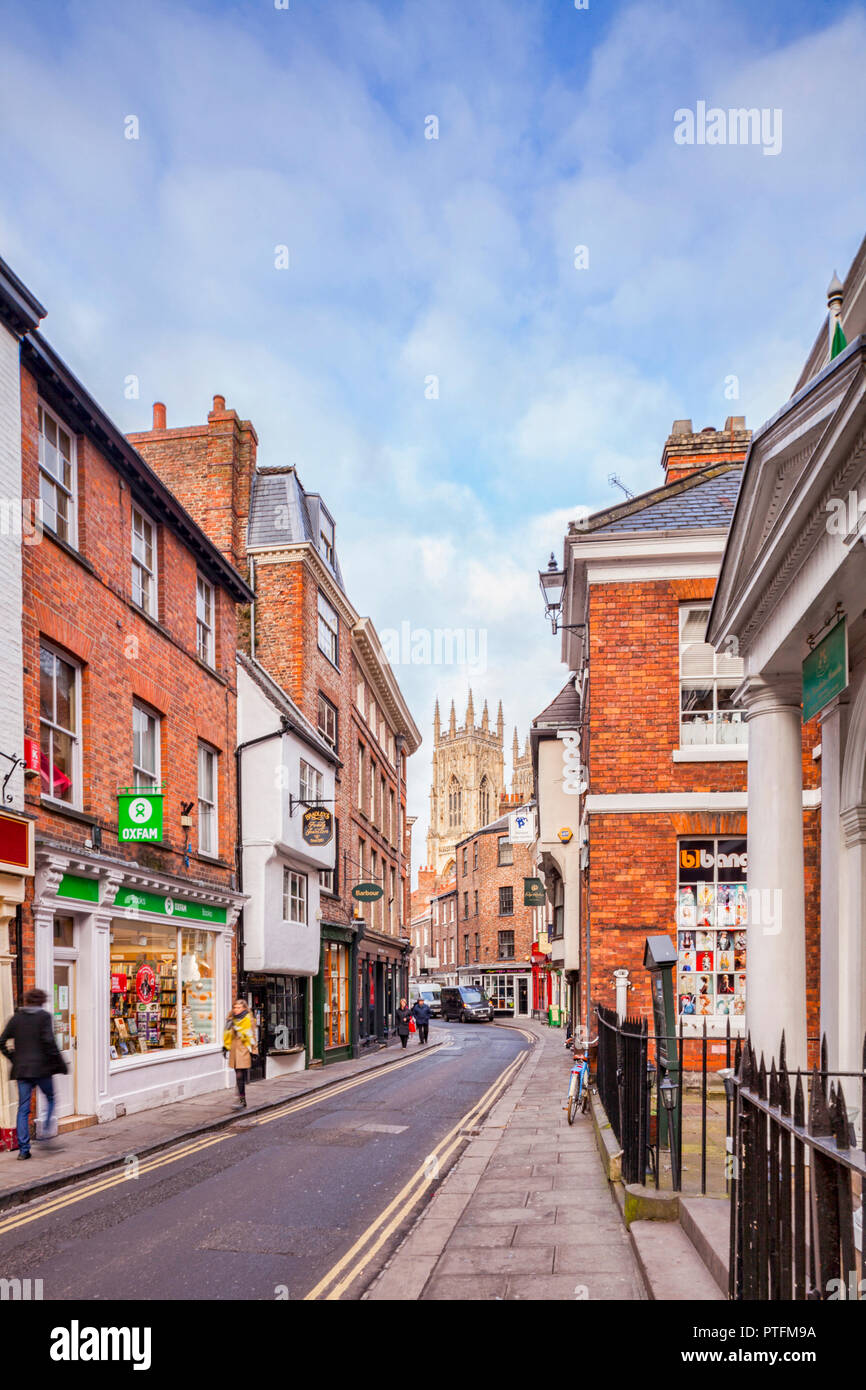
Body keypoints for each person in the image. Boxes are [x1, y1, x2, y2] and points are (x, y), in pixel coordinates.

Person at [0, 988, 67, 1160]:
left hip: (22, 1070)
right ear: (41, 1001)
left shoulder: (16, 1018)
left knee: (23, 1109)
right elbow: (49, 1043)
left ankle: (24, 1150)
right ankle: (45, 1135)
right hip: (42, 1069)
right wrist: (59, 1063)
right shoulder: (44, 1017)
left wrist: (14, 1058)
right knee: (51, 1098)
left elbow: (2, 1041)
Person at [223, 998, 258, 1108]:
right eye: (234, 1007)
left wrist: (254, 1051)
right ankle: (240, 1096)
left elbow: (252, 1035)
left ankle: (242, 1098)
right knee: (238, 1074)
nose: (236, 1009)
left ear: (244, 1008)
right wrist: (225, 1047)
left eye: (238, 1007)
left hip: (244, 1049)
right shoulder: (231, 1019)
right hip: (234, 1049)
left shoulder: (249, 1019)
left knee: (239, 1074)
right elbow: (227, 1034)